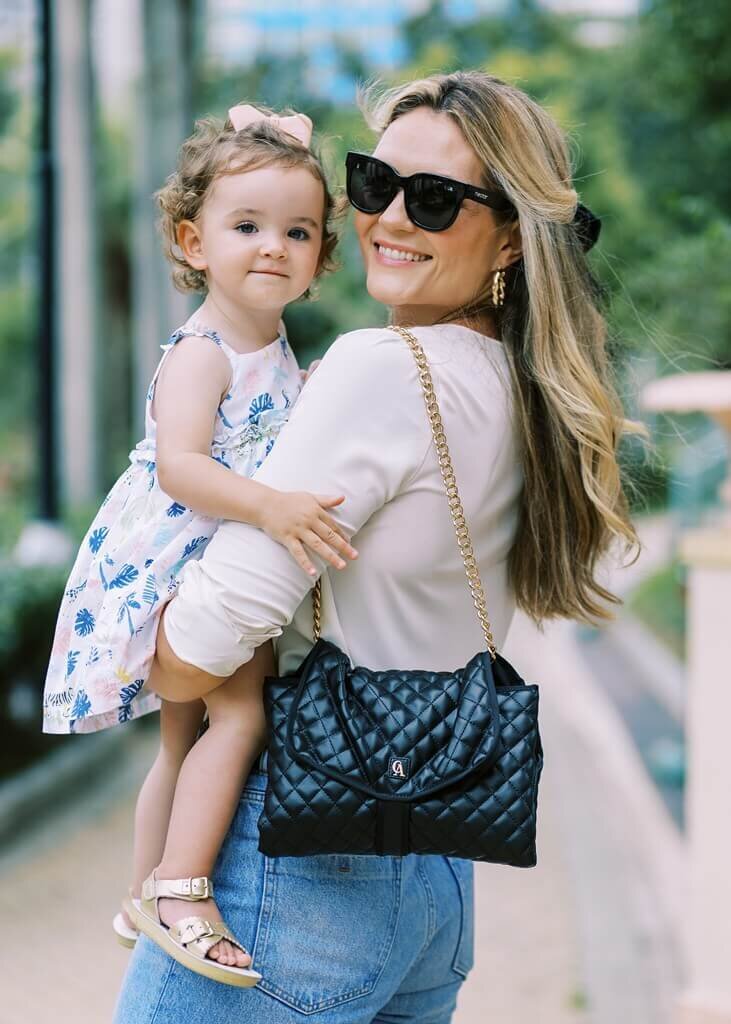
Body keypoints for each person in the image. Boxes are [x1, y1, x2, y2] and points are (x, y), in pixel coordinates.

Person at [115, 70, 640, 1023]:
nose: (388, 218)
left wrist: (136, 648)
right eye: (371, 184)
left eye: (433, 199)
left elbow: (208, 640)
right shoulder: (519, 388)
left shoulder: (376, 368)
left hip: (302, 861)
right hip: (433, 867)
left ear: (511, 239)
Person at [42, 103, 358, 985]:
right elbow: (182, 467)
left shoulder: (273, 344)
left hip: (209, 559)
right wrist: (272, 507)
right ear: (192, 242)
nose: (273, 246)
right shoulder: (204, 351)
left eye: (297, 231)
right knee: (240, 713)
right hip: (178, 559)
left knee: (181, 744)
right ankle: (181, 891)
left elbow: (271, 428)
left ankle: (143, 885)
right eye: (246, 226)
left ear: (319, 256)